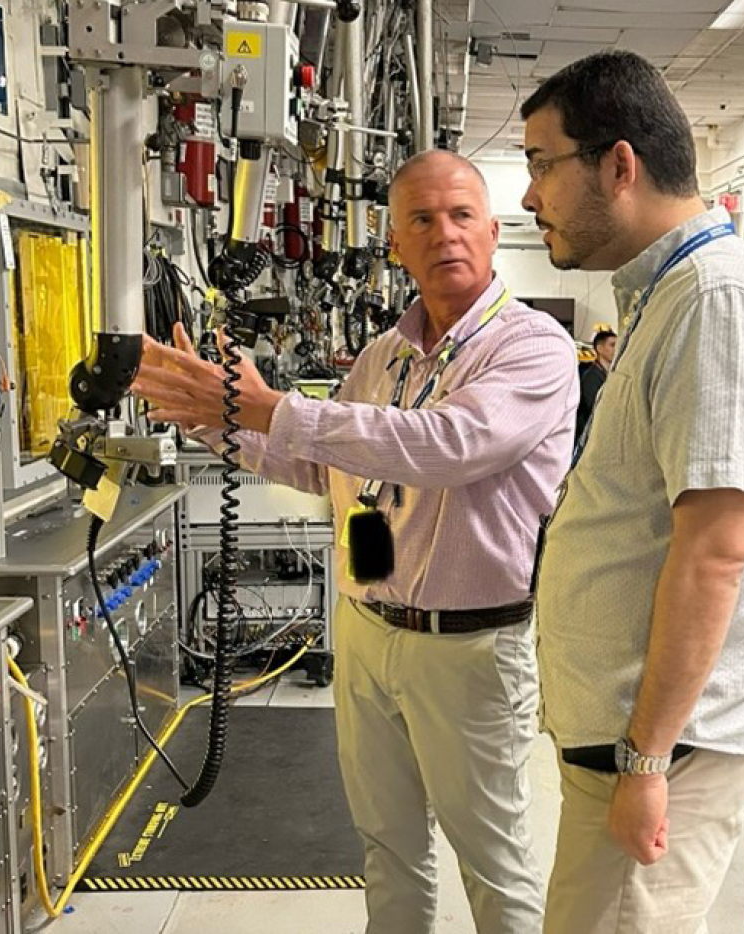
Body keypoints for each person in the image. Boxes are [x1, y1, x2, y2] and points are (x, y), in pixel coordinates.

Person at [133, 149, 579, 934]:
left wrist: (271, 407)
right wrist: (212, 416)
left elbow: (448, 444)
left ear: (491, 227)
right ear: (395, 244)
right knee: (386, 845)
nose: (445, 234)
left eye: (462, 214)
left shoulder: (530, 347)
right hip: (369, 636)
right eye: (421, 219)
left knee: (493, 862)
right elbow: (316, 462)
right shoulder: (385, 356)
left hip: (469, 652)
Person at [520, 50, 744, 934]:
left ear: (619, 164)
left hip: (663, 750)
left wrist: (647, 762)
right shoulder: (670, 295)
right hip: (638, 743)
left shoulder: (718, 302)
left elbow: (717, 552)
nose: (530, 196)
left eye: (541, 165)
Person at [575, 328, 615, 441]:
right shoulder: (591, 377)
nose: (616, 349)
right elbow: (595, 409)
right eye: (612, 345)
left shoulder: (610, 374)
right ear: (600, 348)